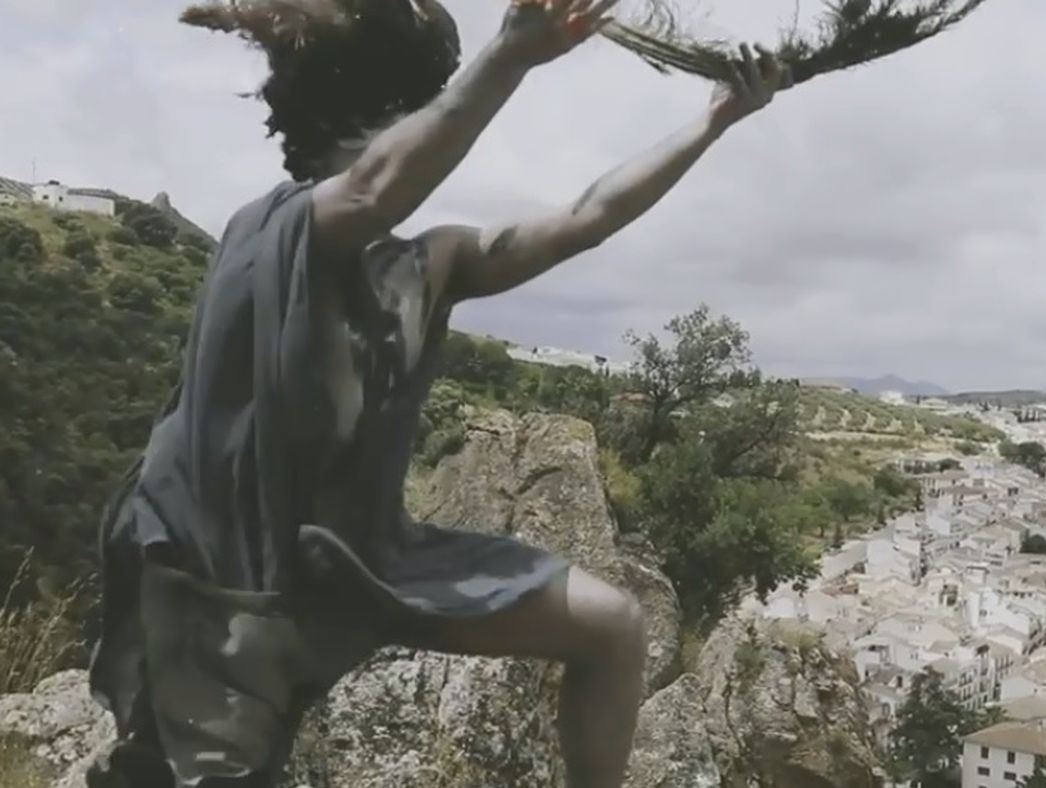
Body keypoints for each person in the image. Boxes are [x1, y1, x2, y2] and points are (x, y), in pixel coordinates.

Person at [84, 0, 790, 785]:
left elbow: (587, 216)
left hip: (362, 561)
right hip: (225, 579)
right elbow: (372, 192)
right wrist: (509, 56)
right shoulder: (274, 228)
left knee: (612, 627)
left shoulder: (430, 264)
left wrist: (713, 122)